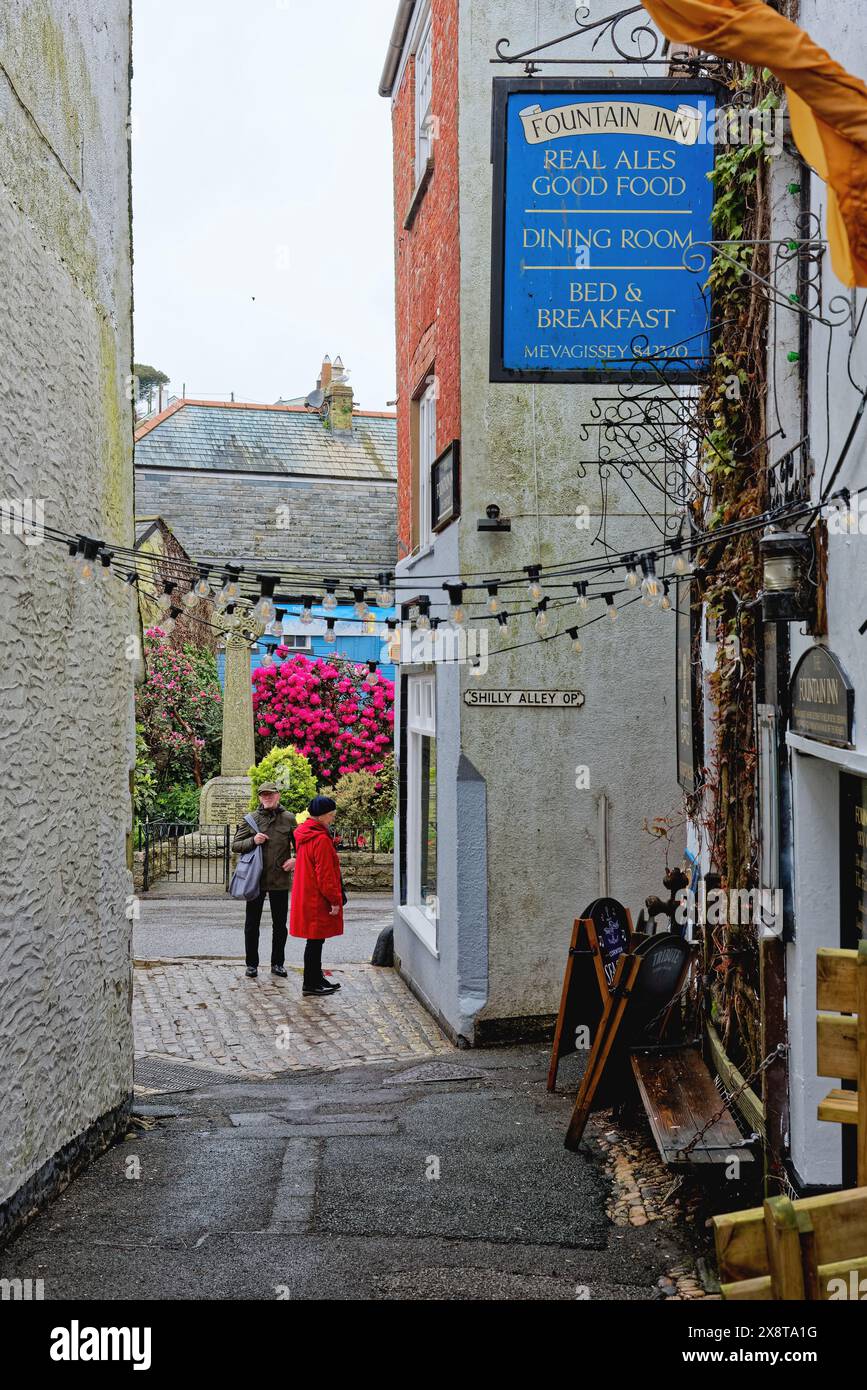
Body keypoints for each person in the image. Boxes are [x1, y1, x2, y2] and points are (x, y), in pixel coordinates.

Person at [232, 782, 296, 979]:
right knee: (252, 923)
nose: (267, 798)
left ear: (278, 796)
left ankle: (278, 963)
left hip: (279, 879)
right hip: (255, 880)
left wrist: (296, 860)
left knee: (280, 924)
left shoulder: (289, 819)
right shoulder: (251, 819)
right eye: (263, 795)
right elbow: (235, 845)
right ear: (259, 798)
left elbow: (301, 847)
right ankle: (251, 964)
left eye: (270, 794)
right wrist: (253, 841)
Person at [290, 795, 345, 996]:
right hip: (316, 897)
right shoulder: (320, 839)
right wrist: (334, 900)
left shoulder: (306, 834)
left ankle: (315, 977)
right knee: (314, 941)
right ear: (322, 816)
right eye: (331, 815)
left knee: (316, 940)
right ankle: (310, 983)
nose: (332, 818)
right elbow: (326, 875)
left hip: (308, 893)